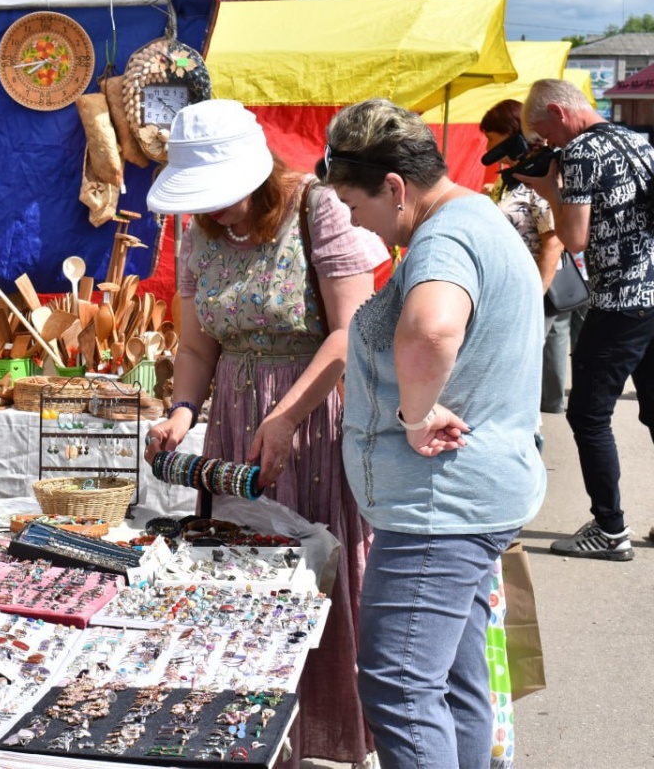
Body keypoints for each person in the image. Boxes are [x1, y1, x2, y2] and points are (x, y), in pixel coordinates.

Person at [143, 98, 388, 767]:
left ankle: (324, 732)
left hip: (313, 419)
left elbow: (351, 332)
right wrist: (182, 412)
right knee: (244, 581)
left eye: (223, 197)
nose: (215, 212)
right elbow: (196, 348)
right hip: (235, 428)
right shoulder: (199, 234)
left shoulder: (321, 209)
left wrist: (286, 416)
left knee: (311, 574)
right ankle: (255, 739)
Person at [320, 98, 546, 769]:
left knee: (397, 683)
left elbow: (431, 327)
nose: (354, 221)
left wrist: (415, 415)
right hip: (463, 499)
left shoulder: (444, 237)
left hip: (439, 509)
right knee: (451, 680)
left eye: (355, 204)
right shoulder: (474, 216)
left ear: (395, 186)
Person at [517, 78, 654, 562]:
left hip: (620, 301)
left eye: (542, 130)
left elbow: (573, 239)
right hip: (653, 292)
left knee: (588, 415)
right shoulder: (637, 140)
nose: (545, 142)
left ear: (558, 111)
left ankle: (610, 529)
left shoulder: (580, 152)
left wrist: (549, 189)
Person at [479, 98, 578, 414]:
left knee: (523, 366)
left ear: (511, 135)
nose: (487, 146)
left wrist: (534, 295)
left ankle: (532, 430)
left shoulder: (539, 176)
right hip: (513, 288)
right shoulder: (511, 175)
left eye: (491, 139)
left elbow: (553, 242)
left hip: (536, 289)